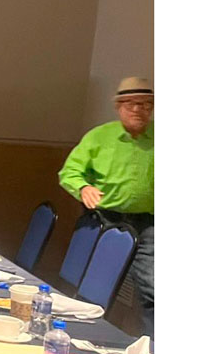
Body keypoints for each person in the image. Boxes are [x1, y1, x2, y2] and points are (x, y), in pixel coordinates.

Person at [57, 76, 154, 336]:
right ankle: (83, 336)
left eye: (146, 104)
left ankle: (155, 348)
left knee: (153, 288)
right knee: (94, 284)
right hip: (104, 220)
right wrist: (83, 188)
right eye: (131, 103)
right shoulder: (99, 137)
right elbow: (69, 173)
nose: (138, 110)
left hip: (149, 224)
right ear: (118, 106)